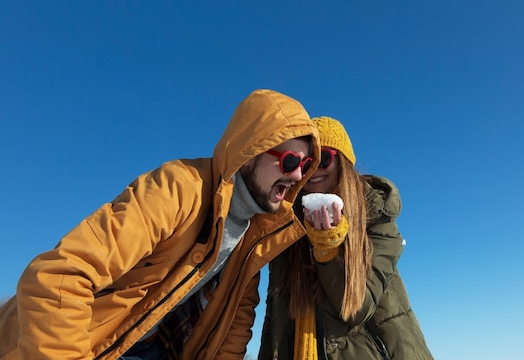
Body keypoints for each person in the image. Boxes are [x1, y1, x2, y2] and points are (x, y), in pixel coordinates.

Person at [0, 89, 321, 360]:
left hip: (150, 346)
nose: (297, 176)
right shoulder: (178, 189)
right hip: (72, 345)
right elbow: (58, 279)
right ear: (249, 153)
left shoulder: (256, 234)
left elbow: (235, 325)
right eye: (289, 161)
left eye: (304, 165)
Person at [258, 116, 434, 360]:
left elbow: (356, 308)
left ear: (342, 160)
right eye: (307, 163)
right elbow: (275, 317)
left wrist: (327, 249)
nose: (314, 171)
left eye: (325, 158)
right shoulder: (288, 227)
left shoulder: (376, 218)